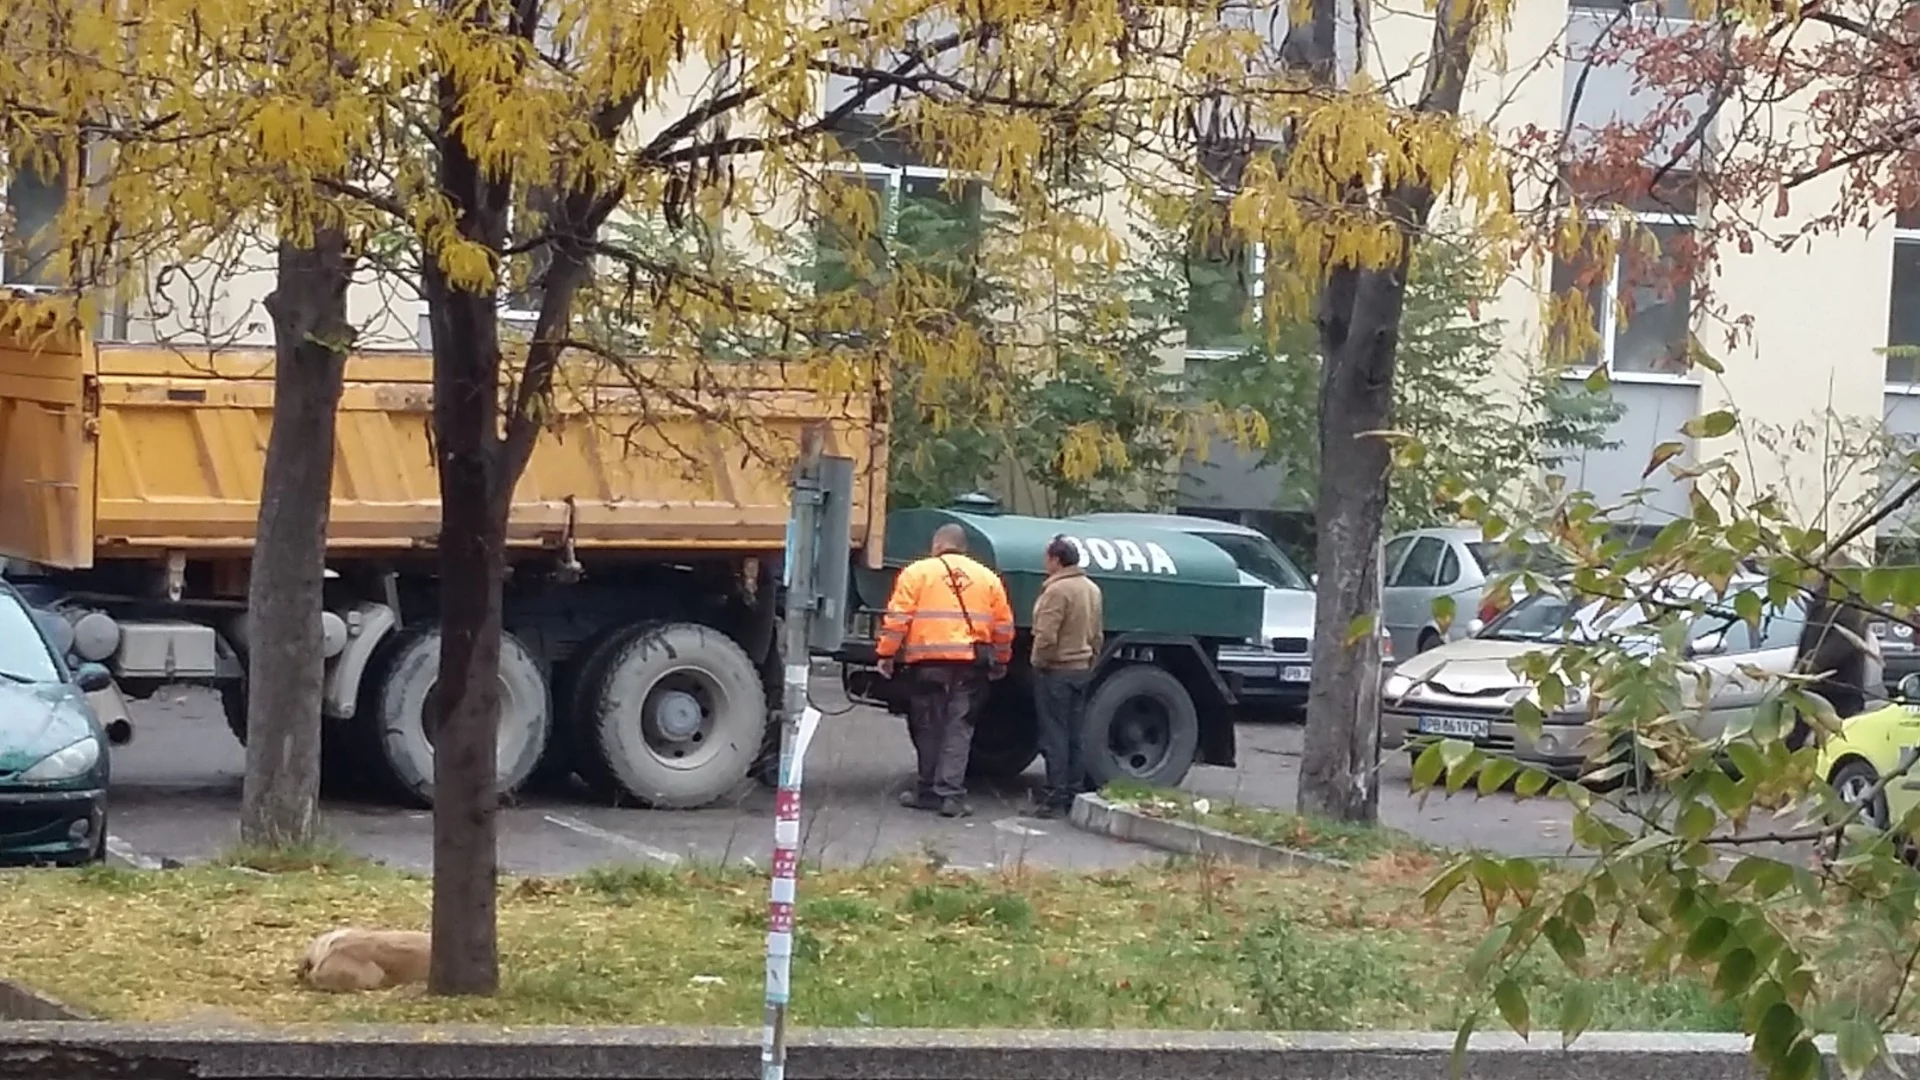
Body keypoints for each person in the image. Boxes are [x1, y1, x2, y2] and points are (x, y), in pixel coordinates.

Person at [875, 523, 1014, 818]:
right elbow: (1003, 627)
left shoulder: (916, 573)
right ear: (963, 548)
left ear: (937, 545)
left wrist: (886, 654)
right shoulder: (988, 578)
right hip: (970, 666)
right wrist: (1001, 659)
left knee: (928, 727)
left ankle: (926, 791)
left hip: (928, 664)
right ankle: (951, 795)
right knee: (959, 728)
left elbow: (897, 618)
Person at [1029, 535, 1104, 818]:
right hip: (1081, 669)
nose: (1045, 562)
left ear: (1056, 560)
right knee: (1075, 734)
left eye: (1047, 557)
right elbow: (1097, 634)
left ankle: (1053, 796)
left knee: (1054, 735)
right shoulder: (1092, 589)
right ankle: (1074, 791)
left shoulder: (1056, 591)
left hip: (1056, 670)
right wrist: (1090, 662)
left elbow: (1047, 636)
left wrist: (1038, 662)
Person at [1792, 571, 1882, 746]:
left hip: (1841, 689)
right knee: (1795, 739)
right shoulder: (1819, 602)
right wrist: (1797, 669)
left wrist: (1815, 664)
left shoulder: (1850, 606)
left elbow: (1842, 643)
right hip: (1812, 688)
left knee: (1837, 742)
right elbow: (1807, 638)